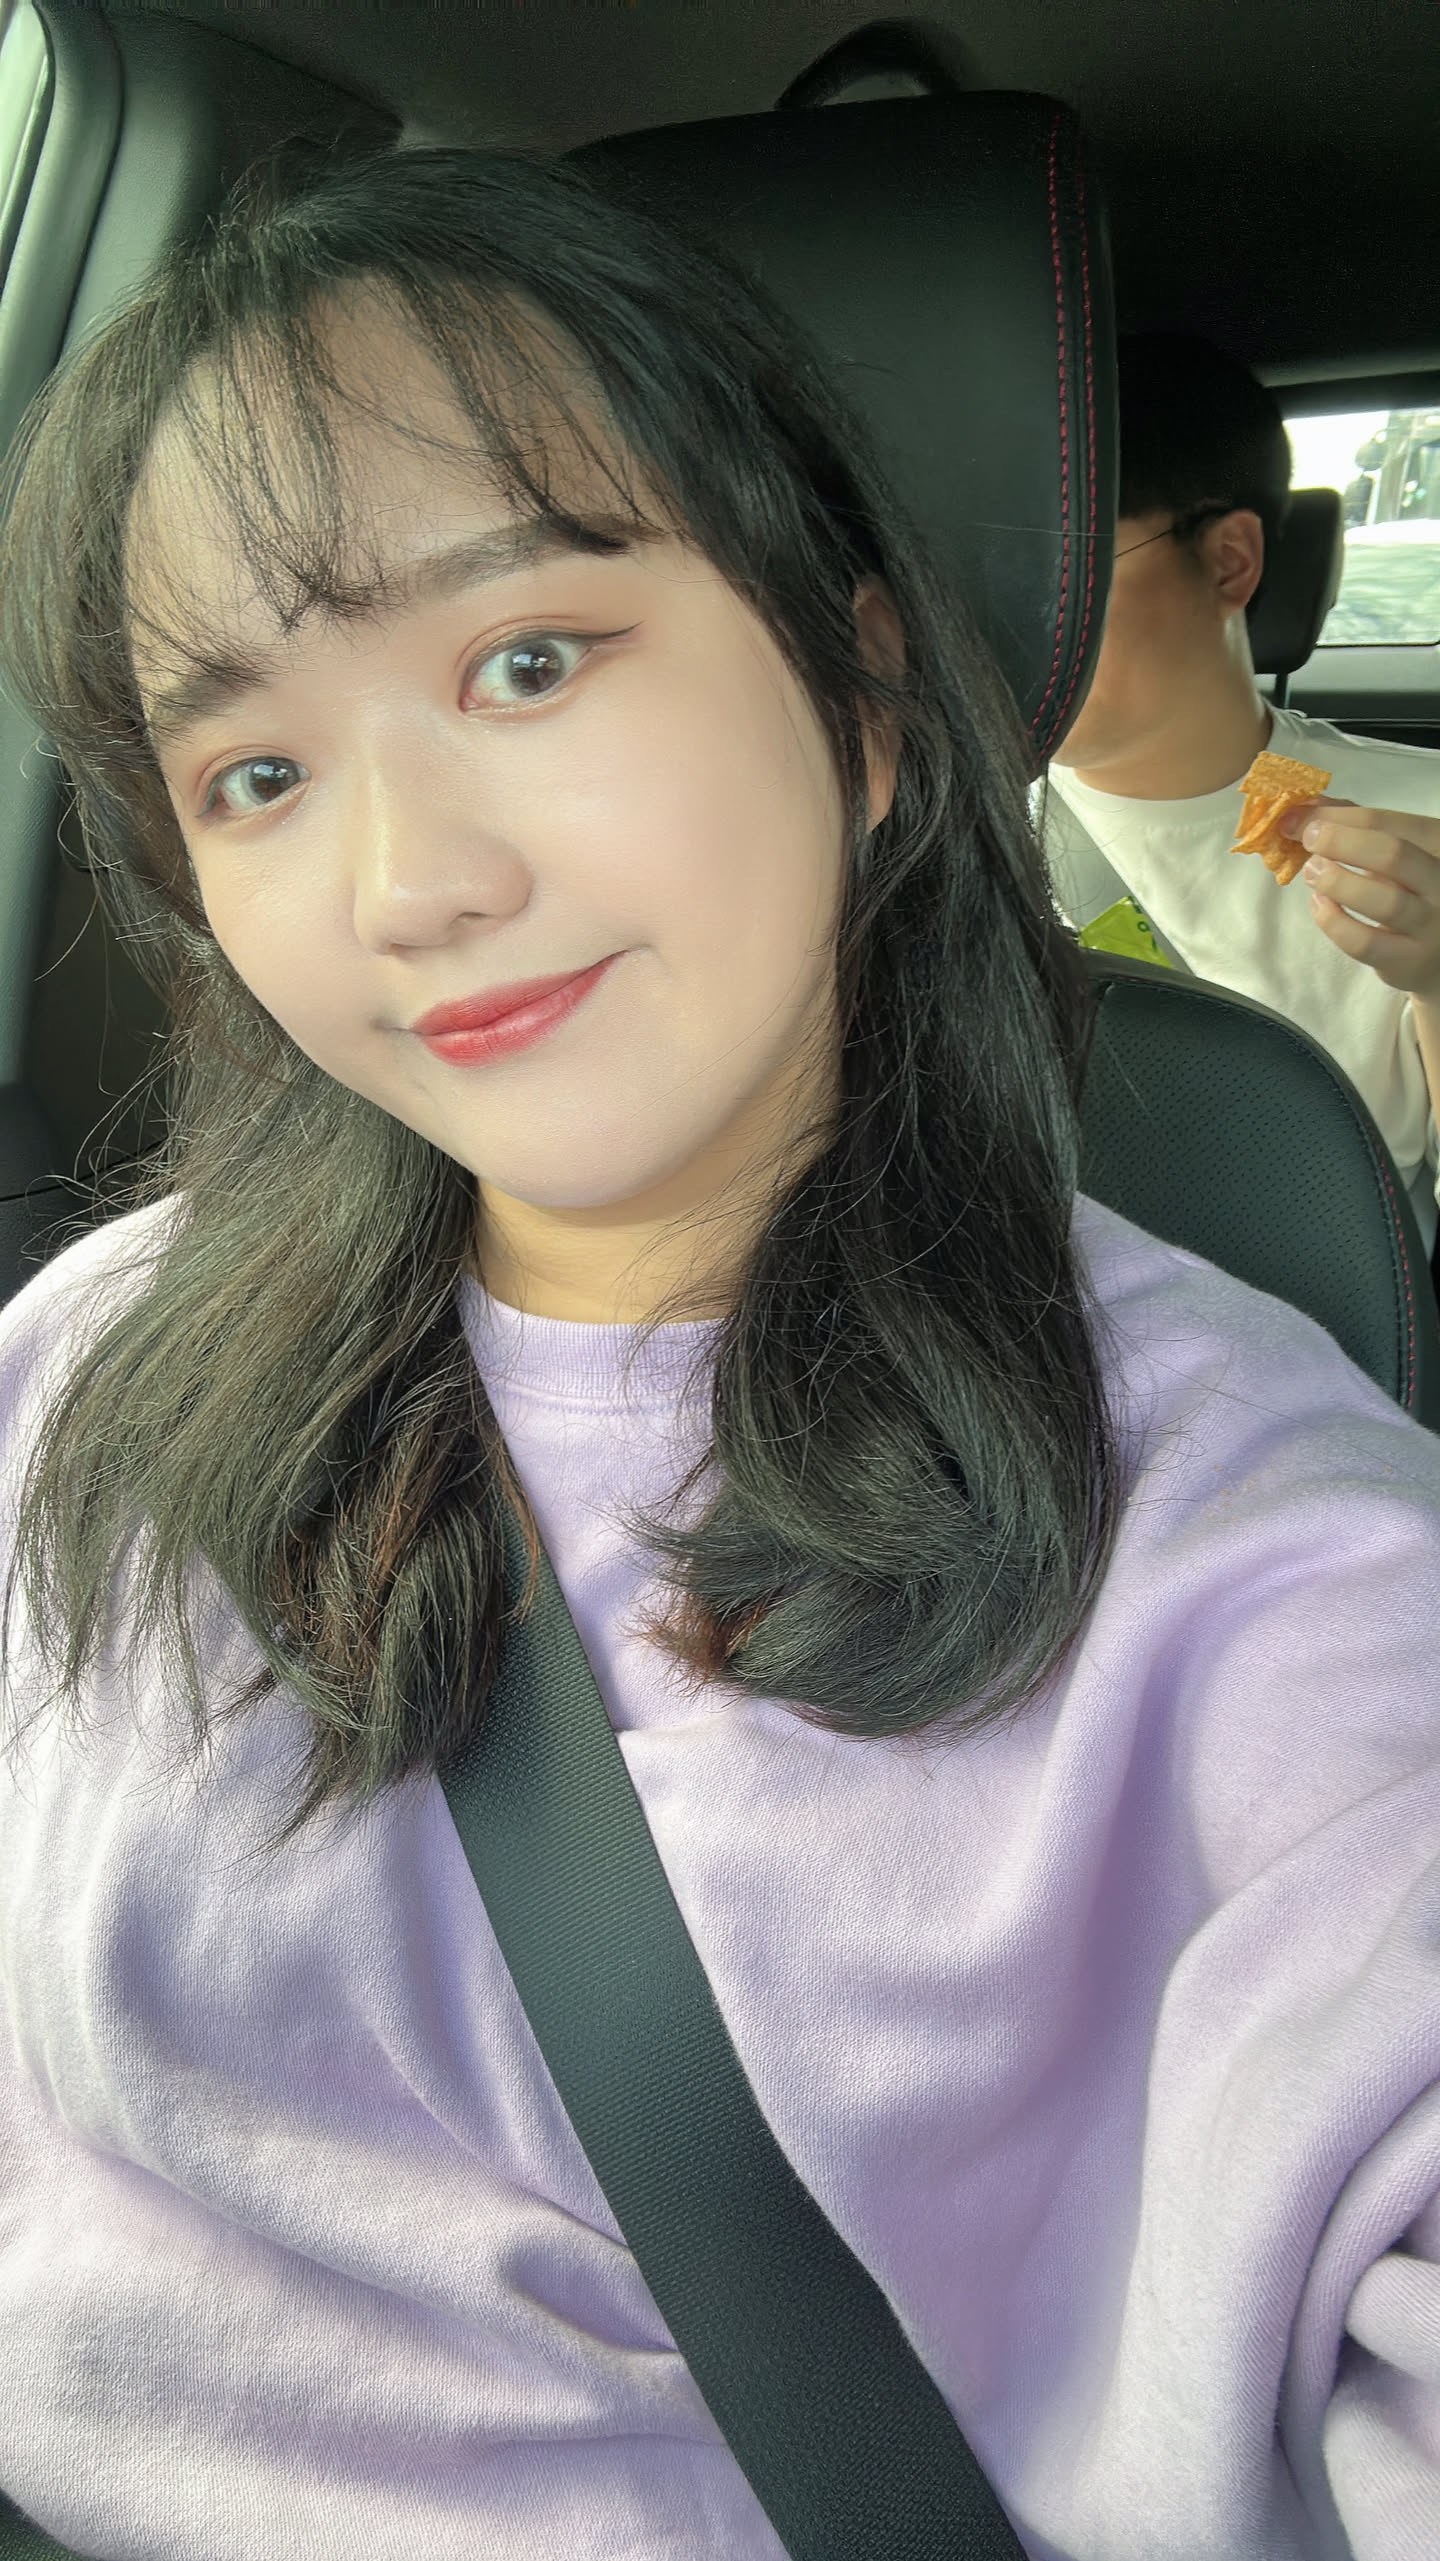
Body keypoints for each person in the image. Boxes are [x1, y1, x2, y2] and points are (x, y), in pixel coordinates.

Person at [0, 149, 1437, 2561]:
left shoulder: (1258, 1553)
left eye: (527, 662)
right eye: (257, 772)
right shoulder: (89, 1361)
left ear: (861, 701)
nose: (408, 885)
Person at [1036, 332, 1440, 1259]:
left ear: (1229, 562)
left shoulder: (1420, 822)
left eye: (1065, 568)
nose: (1018, 621)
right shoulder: (940, 826)